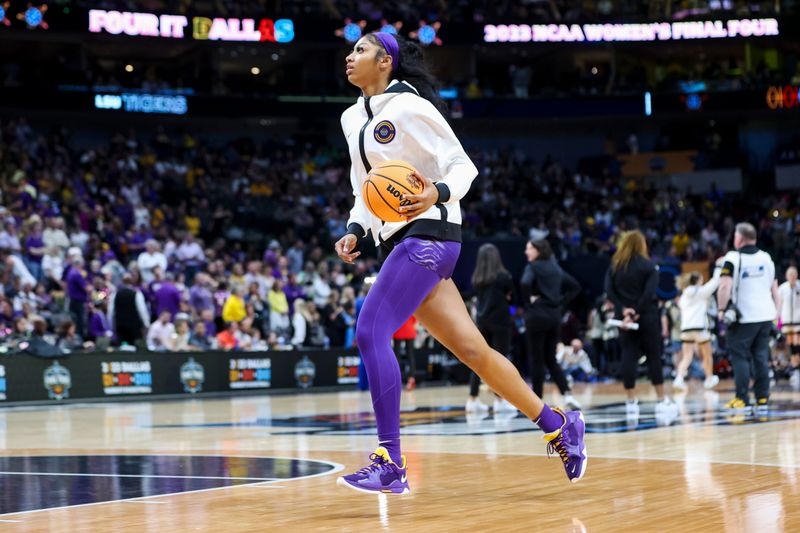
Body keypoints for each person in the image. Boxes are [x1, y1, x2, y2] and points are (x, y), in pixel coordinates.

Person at [334, 32, 586, 494]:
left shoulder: (411, 106)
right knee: (474, 353)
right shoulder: (352, 117)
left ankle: (390, 460)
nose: (350, 57)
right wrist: (355, 228)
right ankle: (558, 425)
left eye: (361, 51)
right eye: (350, 52)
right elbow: (363, 189)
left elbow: (462, 165)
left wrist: (436, 192)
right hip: (394, 241)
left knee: (370, 329)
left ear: (385, 61)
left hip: (431, 231)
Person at [604, 230, 677, 418]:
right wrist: (636, 311)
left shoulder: (615, 265)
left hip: (624, 318)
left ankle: (630, 400)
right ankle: (661, 399)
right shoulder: (649, 266)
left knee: (628, 355)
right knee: (654, 356)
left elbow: (609, 291)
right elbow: (649, 293)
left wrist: (625, 310)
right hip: (647, 316)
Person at [717, 223, 780, 412]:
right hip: (765, 316)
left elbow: (724, 286)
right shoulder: (766, 258)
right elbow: (774, 288)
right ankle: (762, 398)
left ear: (739, 238)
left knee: (740, 357)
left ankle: (742, 398)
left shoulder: (732, 258)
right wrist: (776, 314)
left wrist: (721, 309)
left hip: (743, 317)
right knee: (760, 357)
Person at [521, 239, 583, 411]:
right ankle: (567, 394)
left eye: (529, 248)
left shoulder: (532, 267)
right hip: (554, 317)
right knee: (551, 359)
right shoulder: (555, 267)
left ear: (539, 250)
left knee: (536, 360)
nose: (526, 252)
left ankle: (537, 403)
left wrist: (529, 302)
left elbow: (525, 283)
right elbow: (575, 287)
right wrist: (559, 302)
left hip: (536, 317)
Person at [465, 243, 517, 414]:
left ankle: (472, 400)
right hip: (501, 323)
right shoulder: (503, 276)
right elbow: (513, 297)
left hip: (482, 322)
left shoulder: (477, 279)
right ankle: (499, 400)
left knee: (479, 362)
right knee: (500, 361)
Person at [673, 270, 720, 390]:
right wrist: (719, 268)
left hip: (686, 329)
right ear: (698, 280)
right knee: (707, 355)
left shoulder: (683, 295)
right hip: (699, 328)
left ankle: (679, 378)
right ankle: (709, 378)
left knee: (687, 356)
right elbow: (715, 283)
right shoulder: (701, 292)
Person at [109, 273, 151, 347]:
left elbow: (111, 312)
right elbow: (142, 311)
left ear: (122, 282)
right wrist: (146, 324)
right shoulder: (136, 293)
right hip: (134, 326)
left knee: (122, 347)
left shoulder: (115, 294)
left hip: (120, 326)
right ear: (132, 282)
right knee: (134, 348)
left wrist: (111, 326)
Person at [776, 266, 800, 387]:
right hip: (787, 320)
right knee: (790, 343)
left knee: (797, 341)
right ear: (786, 276)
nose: (792, 277)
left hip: (798, 319)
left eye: (794, 274)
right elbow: (779, 304)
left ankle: (796, 365)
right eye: (790, 275)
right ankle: (794, 367)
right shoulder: (782, 288)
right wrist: (777, 318)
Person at [393, 315, 418, 392]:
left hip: (398, 329)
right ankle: (411, 380)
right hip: (409, 328)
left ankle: (395, 381)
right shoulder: (410, 303)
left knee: (396, 357)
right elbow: (415, 319)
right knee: (410, 356)